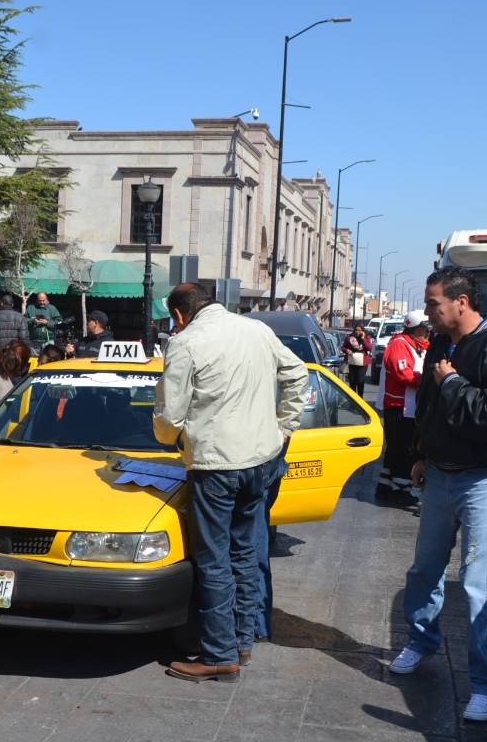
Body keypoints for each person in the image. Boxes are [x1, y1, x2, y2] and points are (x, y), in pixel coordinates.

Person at [389, 266, 487, 723]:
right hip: (439, 475)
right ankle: (421, 641)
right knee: (425, 570)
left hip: (483, 481)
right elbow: (430, 410)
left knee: (479, 583)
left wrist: (454, 384)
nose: (428, 312)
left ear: (461, 302)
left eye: (434, 303)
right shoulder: (440, 345)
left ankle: (484, 685)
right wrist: (420, 454)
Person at [154, 283, 308, 683]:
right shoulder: (255, 329)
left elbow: (169, 417)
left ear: (179, 314)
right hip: (261, 460)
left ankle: (220, 654)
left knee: (214, 560)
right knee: (244, 553)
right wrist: (284, 427)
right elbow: (298, 372)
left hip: (217, 466)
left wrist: (170, 439)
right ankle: (243, 640)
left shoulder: (186, 342)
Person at [376, 311, 431, 500]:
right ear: (416, 328)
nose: (428, 332)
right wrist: (428, 382)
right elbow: (403, 373)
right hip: (399, 406)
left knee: (396, 449)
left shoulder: (418, 345)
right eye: (425, 329)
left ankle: (386, 486)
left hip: (410, 406)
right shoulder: (399, 344)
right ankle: (401, 490)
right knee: (403, 449)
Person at [341, 325, 373, 398]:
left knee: (360, 381)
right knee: (352, 382)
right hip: (352, 362)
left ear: (362, 330)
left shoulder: (366, 337)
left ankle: (360, 399)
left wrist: (363, 339)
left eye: (359, 330)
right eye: (356, 330)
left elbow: (369, 348)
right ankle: (353, 400)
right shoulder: (349, 337)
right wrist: (346, 350)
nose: (357, 331)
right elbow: (343, 347)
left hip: (362, 363)